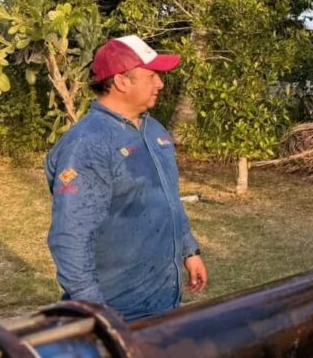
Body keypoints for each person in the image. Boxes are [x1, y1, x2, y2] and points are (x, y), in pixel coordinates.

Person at [45, 35, 207, 320]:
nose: (161, 84)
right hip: (119, 310)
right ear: (121, 81)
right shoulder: (89, 144)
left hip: (162, 301)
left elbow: (169, 200)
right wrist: (98, 313)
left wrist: (189, 250)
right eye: (152, 76)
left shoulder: (154, 131)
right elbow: (71, 237)